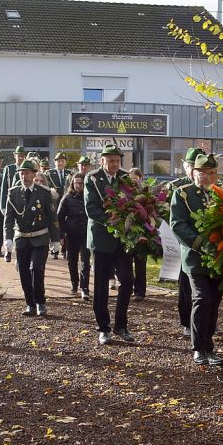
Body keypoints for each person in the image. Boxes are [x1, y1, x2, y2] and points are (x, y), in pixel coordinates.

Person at [170, 153, 223, 366]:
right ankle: (198, 348)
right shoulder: (183, 194)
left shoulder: (222, 195)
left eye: (212, 173)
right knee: (202, 299)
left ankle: (208, 346)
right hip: (195, 258)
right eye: (204, 173)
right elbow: (178, 225)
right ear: (194, 173)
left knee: (215, 302)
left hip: (219, 258)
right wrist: (202, 244)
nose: (209, 177)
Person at [85, 144, 135, 345]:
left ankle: (121, 325)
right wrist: (112, 222)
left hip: (122, 239)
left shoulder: (125, 177)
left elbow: (133, 203)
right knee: (101, 285)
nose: (114, 164)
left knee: (127, 281)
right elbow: (91, 208)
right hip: (102, 239)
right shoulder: (93, 178)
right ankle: (103, 328)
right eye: (110, 160)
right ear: (102, 161)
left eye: (117, 160)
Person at [4, 161, 60, 317]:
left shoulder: (44, 192)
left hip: (40, 237)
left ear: (34, 174)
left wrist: (55, 239)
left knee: (36, 268)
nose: (24, 176)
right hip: (21, 238)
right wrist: (7, 238)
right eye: (22, 173)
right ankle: (30, 303)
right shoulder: (13, 192)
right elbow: (8, 218)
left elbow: (52, 217)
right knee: (23, 271)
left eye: (27, 173)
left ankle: (40, 302)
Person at [167, 147, 203, 338]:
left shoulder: (207, 187)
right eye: (189, 166)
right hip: (181, 240)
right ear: (185, 167)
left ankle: (202, 320)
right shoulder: (177, 188)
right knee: (185, 283)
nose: (192, 170)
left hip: (199, 241)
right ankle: (186, 320)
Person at [57, 173, 91, 300]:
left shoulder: (89, 196)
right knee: (72, 260)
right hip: (71, 233)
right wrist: (61, 234)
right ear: (72, 184)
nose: (78, 186)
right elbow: (59, 216)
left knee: (85, 261)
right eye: (76, 183)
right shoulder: (67, 198)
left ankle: (85, 287)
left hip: (86, 233)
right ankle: (74, 282)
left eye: (81, 183)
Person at [128, 167, 149, 300]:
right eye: (132, 178)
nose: (135, 181)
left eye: (137, 178)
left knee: (141, 263)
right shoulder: (126, 193)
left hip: (144, 231)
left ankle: (140, 291)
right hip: (129, 233)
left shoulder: (146, 192)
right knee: (127, 263)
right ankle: (128, 288)